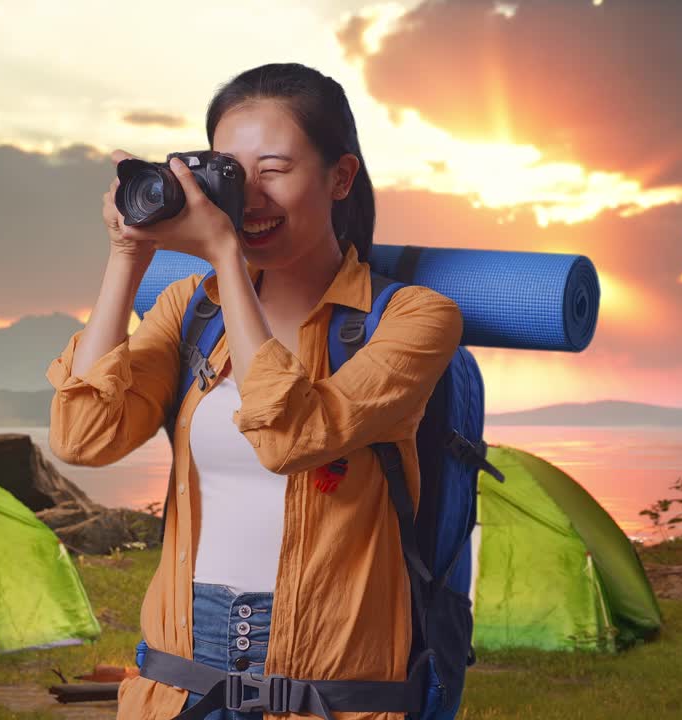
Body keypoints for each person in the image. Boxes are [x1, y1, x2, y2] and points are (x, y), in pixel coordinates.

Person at [45, 62, 463, 720]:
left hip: (331, 690)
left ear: (340, 177)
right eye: (231, 175)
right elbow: (84, 438)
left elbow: (292, 437)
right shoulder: (190, 310)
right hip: (179, 682)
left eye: (274, 170)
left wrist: (225, 260)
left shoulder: (415, 320)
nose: (249, 199)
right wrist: (128, 254)